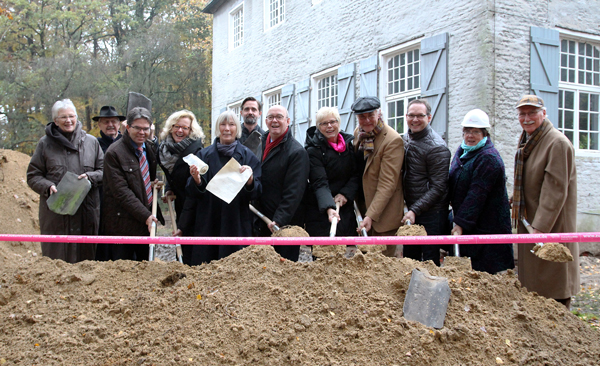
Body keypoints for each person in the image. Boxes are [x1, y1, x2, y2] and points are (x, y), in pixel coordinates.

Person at [512, 95, 579, 309]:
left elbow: (555, 190)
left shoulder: (556, 143)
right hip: (531, 224)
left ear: (544, 113)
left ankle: (560, 330)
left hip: (550, 227)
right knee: (536, 284)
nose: (527, 118)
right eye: (522, 114)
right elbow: (533, 180)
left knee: (554, 282)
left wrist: (540, 230)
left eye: (532, 113)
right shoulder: (529, 140)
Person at [178, 111, 261, 265]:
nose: (227, 129)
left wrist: (250, 181)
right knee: (206, 266)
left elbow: (257, 192)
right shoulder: (204, 154)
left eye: (231, 125)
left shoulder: (248, 156)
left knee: (235, 268)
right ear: (218, 128)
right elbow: (192, 192)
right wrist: (196, 180)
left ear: (237, 128)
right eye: (223, 124)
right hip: (209, 219)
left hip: (236, 221)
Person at [27, 99, 103, 263]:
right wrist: (48, 186)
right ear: (55, 120)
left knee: (87, 264)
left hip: (87, 212)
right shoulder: (45, 144)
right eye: (63, 117)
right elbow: (33, 175)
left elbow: (105, 172)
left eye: (71, 116)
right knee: (57, 264)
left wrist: (91, 177)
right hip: (56, 214)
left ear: (77, 117)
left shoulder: (91, 142)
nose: (68, 121)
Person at [449, 109, 514, 274]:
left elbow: (477, 195)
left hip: (487, 225)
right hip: (470, 220)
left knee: (484, 273)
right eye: (467, 131)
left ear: (485, 134)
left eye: (475, 132)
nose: (470, 136)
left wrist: (460, 223)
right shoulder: (464, 151)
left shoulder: (488, 158)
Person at [102, 107, 164, 261]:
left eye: (146, 129)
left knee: (145, 269)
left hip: (145, 222)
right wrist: (146, 216)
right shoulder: (114, 153)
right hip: (123, 224)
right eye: (137, 128)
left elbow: (144, 178)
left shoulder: (149, 148)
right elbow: (121, 192)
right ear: (127, 127)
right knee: (125, 273)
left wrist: (152, 184)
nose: (142, 132)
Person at [254, 105, 310, 261]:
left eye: (279, 117)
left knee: (283, 268)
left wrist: (279, 220)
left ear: (288, 121)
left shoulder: (297, 152)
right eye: (270, 117)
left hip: (283, 224)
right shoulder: (261, 143)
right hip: (262, 219)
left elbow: (294, 192)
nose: (274, 121)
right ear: (265, 121)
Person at [304, 106, 360, 258]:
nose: (329, 126)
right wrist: (329, 208)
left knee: (348, 257)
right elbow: (319, 182)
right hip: (321, 209)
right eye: (323, 123)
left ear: (339, 123)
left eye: (332, 122)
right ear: (318, 126)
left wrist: (345, 194)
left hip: (344, 206)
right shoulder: (313, 150)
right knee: (324, 258)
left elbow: (357, 174)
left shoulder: (350, 145)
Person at [400, 99, 451, 266]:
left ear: (429, 118)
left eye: (420, 116)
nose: (415, 120)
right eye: (411, 116)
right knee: (410, 257)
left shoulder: (437, 147)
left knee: (429, 259)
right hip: (413, 209)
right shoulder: (407, 138)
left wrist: (415, 209)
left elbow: (438, 187)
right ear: (406, 116)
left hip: (432, 213)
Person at [352, 96, 404, 257]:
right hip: (364, 208)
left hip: (383, 216)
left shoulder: (392, 141)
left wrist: (371, 215)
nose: (366, 120)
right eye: (362, 116)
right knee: (365, 265)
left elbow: (387, 184)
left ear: (379, 114)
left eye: (370, 115)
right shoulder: (359, 133)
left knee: (382, 267)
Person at [157, 110, 205, 228]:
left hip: (196, 208)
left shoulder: (197, 152)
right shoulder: (164, 149)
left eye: (185, 128)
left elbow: (198, 186)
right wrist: (169, 188)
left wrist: (183, 224)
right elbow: (172, 174)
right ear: (170, 128)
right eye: (176, 126)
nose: (179, 130)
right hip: (180, 205)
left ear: (191, 131)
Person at [93, 105, 126, 261]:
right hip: (102, 200)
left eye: (113, 121)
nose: (110, 125)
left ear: (119, 124)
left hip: (125, 201)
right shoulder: (94, 145)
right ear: (99, 125)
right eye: (106, 122)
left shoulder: (128, 143)